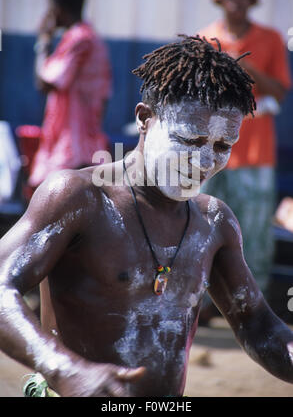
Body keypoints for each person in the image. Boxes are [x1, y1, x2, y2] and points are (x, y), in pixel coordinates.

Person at [0, 36, 292, 398]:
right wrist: (64, 368)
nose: (204, 162)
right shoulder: (80, 198)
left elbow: (258, 323)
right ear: (144, 119)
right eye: (190, 140)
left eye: (221, 147)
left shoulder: (214, 221)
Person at [198, 0, 291, 296]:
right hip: (212, 151)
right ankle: (206, 301)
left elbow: (280, 91)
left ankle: (254, 304)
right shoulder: (206, 39)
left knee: (253, 234)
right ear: (221, 1)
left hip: (255, 153)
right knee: (205, 227)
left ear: (250, 1)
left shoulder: (270, 39)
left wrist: (248, 69)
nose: (236, 2)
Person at [29, 0, 112, 189]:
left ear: (57, 8)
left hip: (71, 145)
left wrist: (44, 41)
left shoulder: (78, 40)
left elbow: (45, 83)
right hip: (88, 140)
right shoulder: (95, 41)